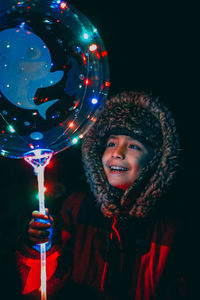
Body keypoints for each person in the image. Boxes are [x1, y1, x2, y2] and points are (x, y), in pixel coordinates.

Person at [16, 91, 188, 299]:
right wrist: (41, 245)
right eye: (111, 143)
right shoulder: (77, 209)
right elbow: (43, 287)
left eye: (133, 146)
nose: (118, 153)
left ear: (156, 160)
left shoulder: (172, 228)